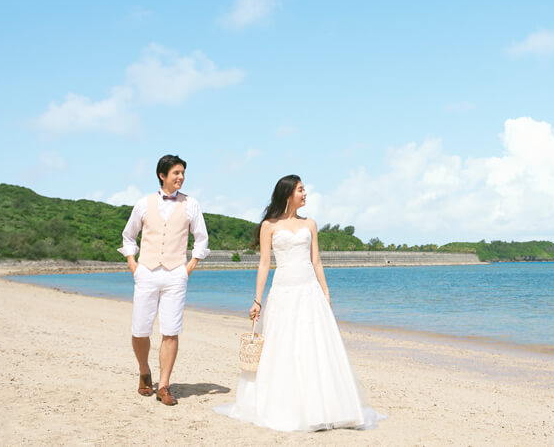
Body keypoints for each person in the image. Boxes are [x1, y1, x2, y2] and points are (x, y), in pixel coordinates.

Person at [214, 175, 383, 431]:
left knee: (314, 346)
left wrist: (326, 292)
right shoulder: (268, 226)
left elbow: (316, 261)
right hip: (282, 291)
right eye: (301, 190)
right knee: (283, 348)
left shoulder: (311, 223)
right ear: (288, 194)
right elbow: (263, 264)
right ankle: (287, 407)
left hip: (309, 290)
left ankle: (324, 408)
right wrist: (257, 300)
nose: (305, 194)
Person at [119, 154, 210, 406]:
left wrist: (189, 266)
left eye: (182, 173)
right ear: (163, 175)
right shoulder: (143, 203)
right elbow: (129, 236)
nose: (180, 177)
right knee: (140, 330)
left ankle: (165, 385)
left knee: (171, 331)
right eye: (176, 173)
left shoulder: (191, 204)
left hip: (176, 275)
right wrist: (132, 264)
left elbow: (201, 239)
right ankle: (144, 371)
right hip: (146, 272)